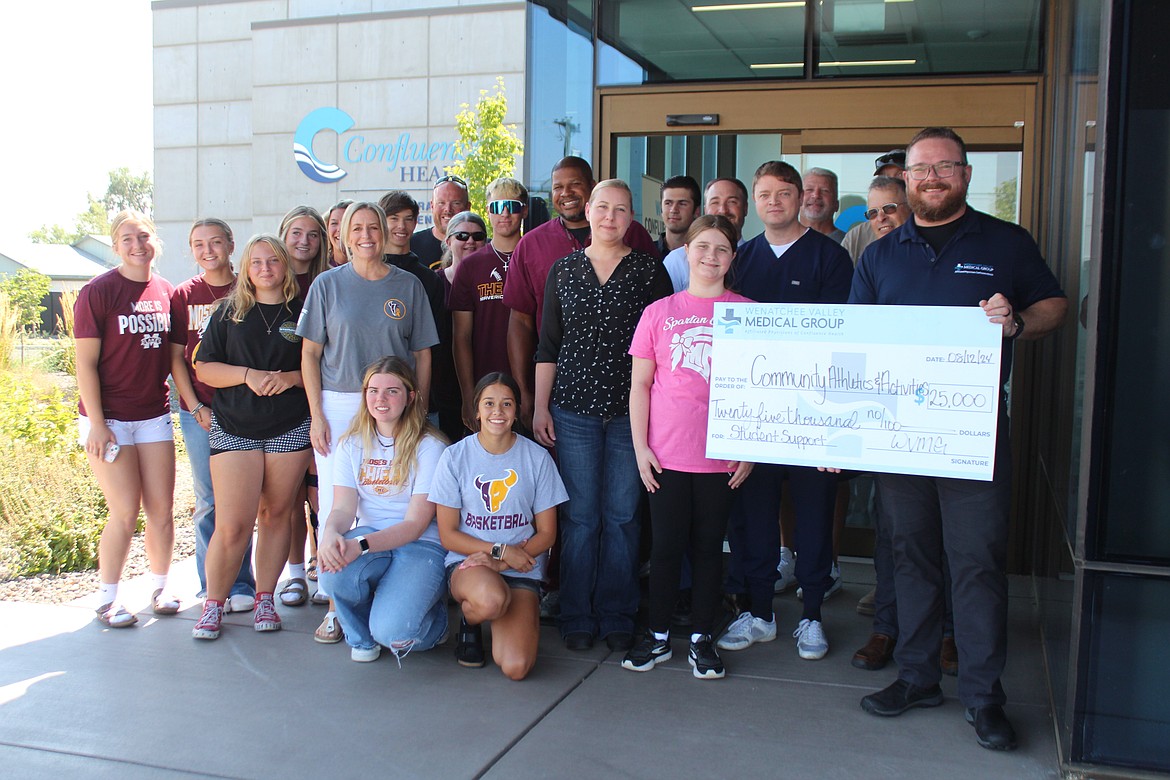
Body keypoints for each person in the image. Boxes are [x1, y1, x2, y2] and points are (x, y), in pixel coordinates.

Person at [851, 127, 1067, 751]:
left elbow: (1054, 305)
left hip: (972, 432)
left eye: (946, 167)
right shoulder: (881, 255)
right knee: (911, 555)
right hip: (898, 436)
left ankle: (983, 696)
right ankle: (917, 677)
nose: (934, 177)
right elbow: (852, 345)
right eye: (923, 168)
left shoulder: (1006, 242)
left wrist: (1018, 322)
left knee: (975, 562)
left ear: (966, 176)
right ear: (907, 179)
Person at [716, 161, 853, 662]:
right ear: (755, 201)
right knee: (754, 518)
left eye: (784, 193)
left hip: (813, 413)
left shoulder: (830, 259)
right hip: (755, 414)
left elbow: (842, 341)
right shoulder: (741, 258)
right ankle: (759, 614)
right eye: (765, 193)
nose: (774, 202)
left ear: (800, 198)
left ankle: (813, 615)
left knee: (814, 515)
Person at [532, 179, 673, 652]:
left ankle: (616, 614)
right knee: (580, 518)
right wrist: (538, 407)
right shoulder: (563, 271)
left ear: (633, 217)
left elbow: (664, 349)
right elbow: (549, 344)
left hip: (630, 416)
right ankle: (576, 613)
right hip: (572, 412)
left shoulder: (649, 273)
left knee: (623, 516)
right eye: (604, 207)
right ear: (588, 210)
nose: (611, 216)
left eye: (622, 209)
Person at [297, 201, 439, 643]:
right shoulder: (326, 285)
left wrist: (420, 406)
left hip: (395, 401)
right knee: (338, 503)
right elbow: (309, 354)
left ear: (384, 232)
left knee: (389, 489)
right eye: (355, 228)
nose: (365, 235)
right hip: (340, 401)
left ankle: (400, 586)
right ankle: (336, 604)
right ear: (342, 235)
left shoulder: (408, 285)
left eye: (372, 227)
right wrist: (317, 413)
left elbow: (422, 354)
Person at [622, 215, 754, 680]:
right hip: (667, 455)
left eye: (721, 248)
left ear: (732, 257)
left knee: (707, 549)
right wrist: (640, 448)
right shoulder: (659, 312)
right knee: (665, 548)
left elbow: (760, 391)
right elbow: (640, 386)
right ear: (686, 252)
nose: (710, 256)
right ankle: (657, 635)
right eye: (702, 246)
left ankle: (702, 637)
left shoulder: (747, 312)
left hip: (721, 458)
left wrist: (750, 450)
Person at [191, 234, 312, 639]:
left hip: (289, 426)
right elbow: (204, 368)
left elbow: (320, 365)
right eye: (256, 262)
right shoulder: (228, 312)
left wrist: (290, 379)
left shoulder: (306, 311)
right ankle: (214, 603)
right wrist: (247, 375)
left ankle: (265, 598)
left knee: (276, 514)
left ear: (284, 266)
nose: (264, 268)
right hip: (236, 427)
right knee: (232, 524)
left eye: (272, 261)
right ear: (246, 267)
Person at [74, 210, 179, 627]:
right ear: (115, 246)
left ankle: (160, 586)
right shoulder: (98, 292)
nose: (137, 245)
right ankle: (107, 598)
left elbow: (174, 359)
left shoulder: (167, 291)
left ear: (155, 241)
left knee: (162, 510)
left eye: (144, 236)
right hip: (110, 419)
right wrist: (98, 424)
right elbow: (84, 365)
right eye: (127, 239)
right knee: (124, 511)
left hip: (153, 415)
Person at [504, 156, 658, 428]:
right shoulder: (531, 245)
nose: (565, 193)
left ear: (591, 187)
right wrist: (526, 393)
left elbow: (659, 327)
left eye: (574, 184)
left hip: (629, 401)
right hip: (568, 400)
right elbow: (521, 322)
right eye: (557, 187)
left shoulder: (635, 237)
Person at [432, 373, 567, 678]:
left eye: (506, 404)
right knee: (491, 600)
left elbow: (547, 533)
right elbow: (448, 534)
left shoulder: (537, 458)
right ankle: (471, 619)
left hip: (521, 565)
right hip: (471, 564)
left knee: (516, 668)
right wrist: (498, 552)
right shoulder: (454, 457)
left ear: (517, 410)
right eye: (489, 403)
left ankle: (501, 615)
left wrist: (503, 560)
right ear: (476, 410)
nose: (498, 411)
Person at [316, 357, 449, 663]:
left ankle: (436, 622)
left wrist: (360, 545)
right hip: (372, 536)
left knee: (394, 633)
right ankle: (362, 638)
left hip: (421, 545)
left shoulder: (430, 446)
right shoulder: (352, 443)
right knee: (331, 570)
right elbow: (343, 508)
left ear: (410, 396)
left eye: (392, 391)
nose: (381, 399)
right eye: (373, 390)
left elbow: (415, 524)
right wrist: (331, 535)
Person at [169, 218, 255, 613]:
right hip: (201, 410)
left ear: (231, 245)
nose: (208, 250)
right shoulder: (183, 295)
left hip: (244, 410)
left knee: (242, 501)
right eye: (199, 244)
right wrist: (195, 406)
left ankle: (242, 583)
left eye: (215, 242)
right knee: (207, 500)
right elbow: (176, 359)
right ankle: (212, 583)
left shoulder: (248, 288)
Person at [278, 205, 331, 609]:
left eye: (313, 234)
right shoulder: (266, 279)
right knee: (289, 495)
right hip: (276, 403)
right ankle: (294, 572)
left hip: (317, 397)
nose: (304, 241)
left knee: (320, 490)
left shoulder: (329, 283)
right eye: (296, 232)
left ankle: (320, 563)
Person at [379, 190, 459, 441]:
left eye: (408, 218)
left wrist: (424, 400)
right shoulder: (367, 272)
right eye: (393, 218)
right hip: (373, 394)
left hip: (418, 395)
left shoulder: (427, 279)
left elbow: (435, 346)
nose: (401, 226)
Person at [450, 178, 528, 430]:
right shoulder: (470, 267)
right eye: (496, 207)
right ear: (487, 211)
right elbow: (461, 337)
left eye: (512, 206)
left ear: (524, 210)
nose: (504, 214)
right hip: (485, 390)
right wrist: (467, 395)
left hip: (532, 386)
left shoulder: (536, 257)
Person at [663, 177, 749, 293]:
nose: (723, 210)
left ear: (745, 208)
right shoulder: (677, 260)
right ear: (704, 209)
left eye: (732, 202)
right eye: (715, 202)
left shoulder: (755, 257)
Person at [841, 151, 907, 262]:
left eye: (898, 175)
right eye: (884, 178)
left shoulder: (929, 229)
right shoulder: (857, 236)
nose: (881, 217)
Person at [412, 174, 470, 269]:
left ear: (468, 207)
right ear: (432, 206)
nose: (448, 209)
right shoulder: (412, 245)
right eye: (441, 203)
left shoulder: (480, 245)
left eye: (456, 203)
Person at [437, 210, 487, 288]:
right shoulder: (434, 282)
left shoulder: (494, 279)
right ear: (448, 242)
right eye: (462, 236)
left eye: (477, 236)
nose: (471, 241)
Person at [656, 175, 701, 257]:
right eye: (668, 203)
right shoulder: (645, 253)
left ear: (697, 211)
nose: (673, 210)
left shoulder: (704, 256)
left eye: (682, 204)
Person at [800, 167, 845, 243]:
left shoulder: (850, 244)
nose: (816, 195)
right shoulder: (779, 241)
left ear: (836, 205)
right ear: (797, 200)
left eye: (825, 191)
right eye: (809, 189)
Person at [325, 199, 354, 266]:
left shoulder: (368, 269)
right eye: (334, 223)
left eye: (346, 223)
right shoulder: (319, 267)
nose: (340, 229)